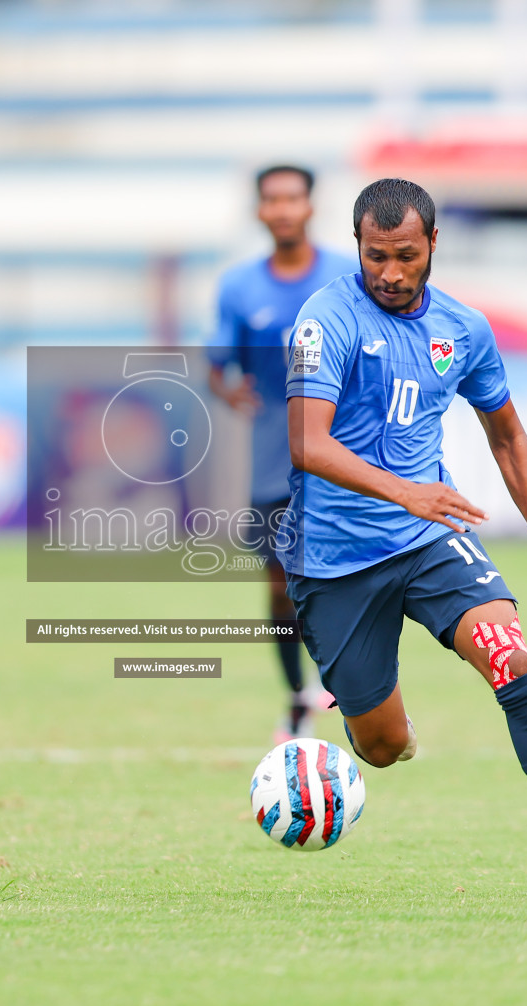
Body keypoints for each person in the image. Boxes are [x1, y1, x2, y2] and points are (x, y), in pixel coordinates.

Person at [278, 178, 527, 902]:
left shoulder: (464, 329)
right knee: (384, 749)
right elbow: (304, 441)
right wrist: (406, 488)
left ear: (434, 246)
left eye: (406, 256)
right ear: (356, 244)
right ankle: (375, 718)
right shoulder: (326, 320)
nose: (389, 272)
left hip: (427, 539)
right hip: (333, 559)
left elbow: (507, 436)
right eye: (375, 255)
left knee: (511, 660)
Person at [206, 165, 357, 742]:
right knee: (281, 585)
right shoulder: (239, 286)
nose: (285, 207)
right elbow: (219, 365)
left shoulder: (347, 276)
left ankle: (349, 689)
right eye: (273, 198)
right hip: (275, 462)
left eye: (294, 196)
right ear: (260, 210)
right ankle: (298, 696)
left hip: (346, 459)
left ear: (311, 205)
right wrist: (230, 391)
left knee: (350, 579)